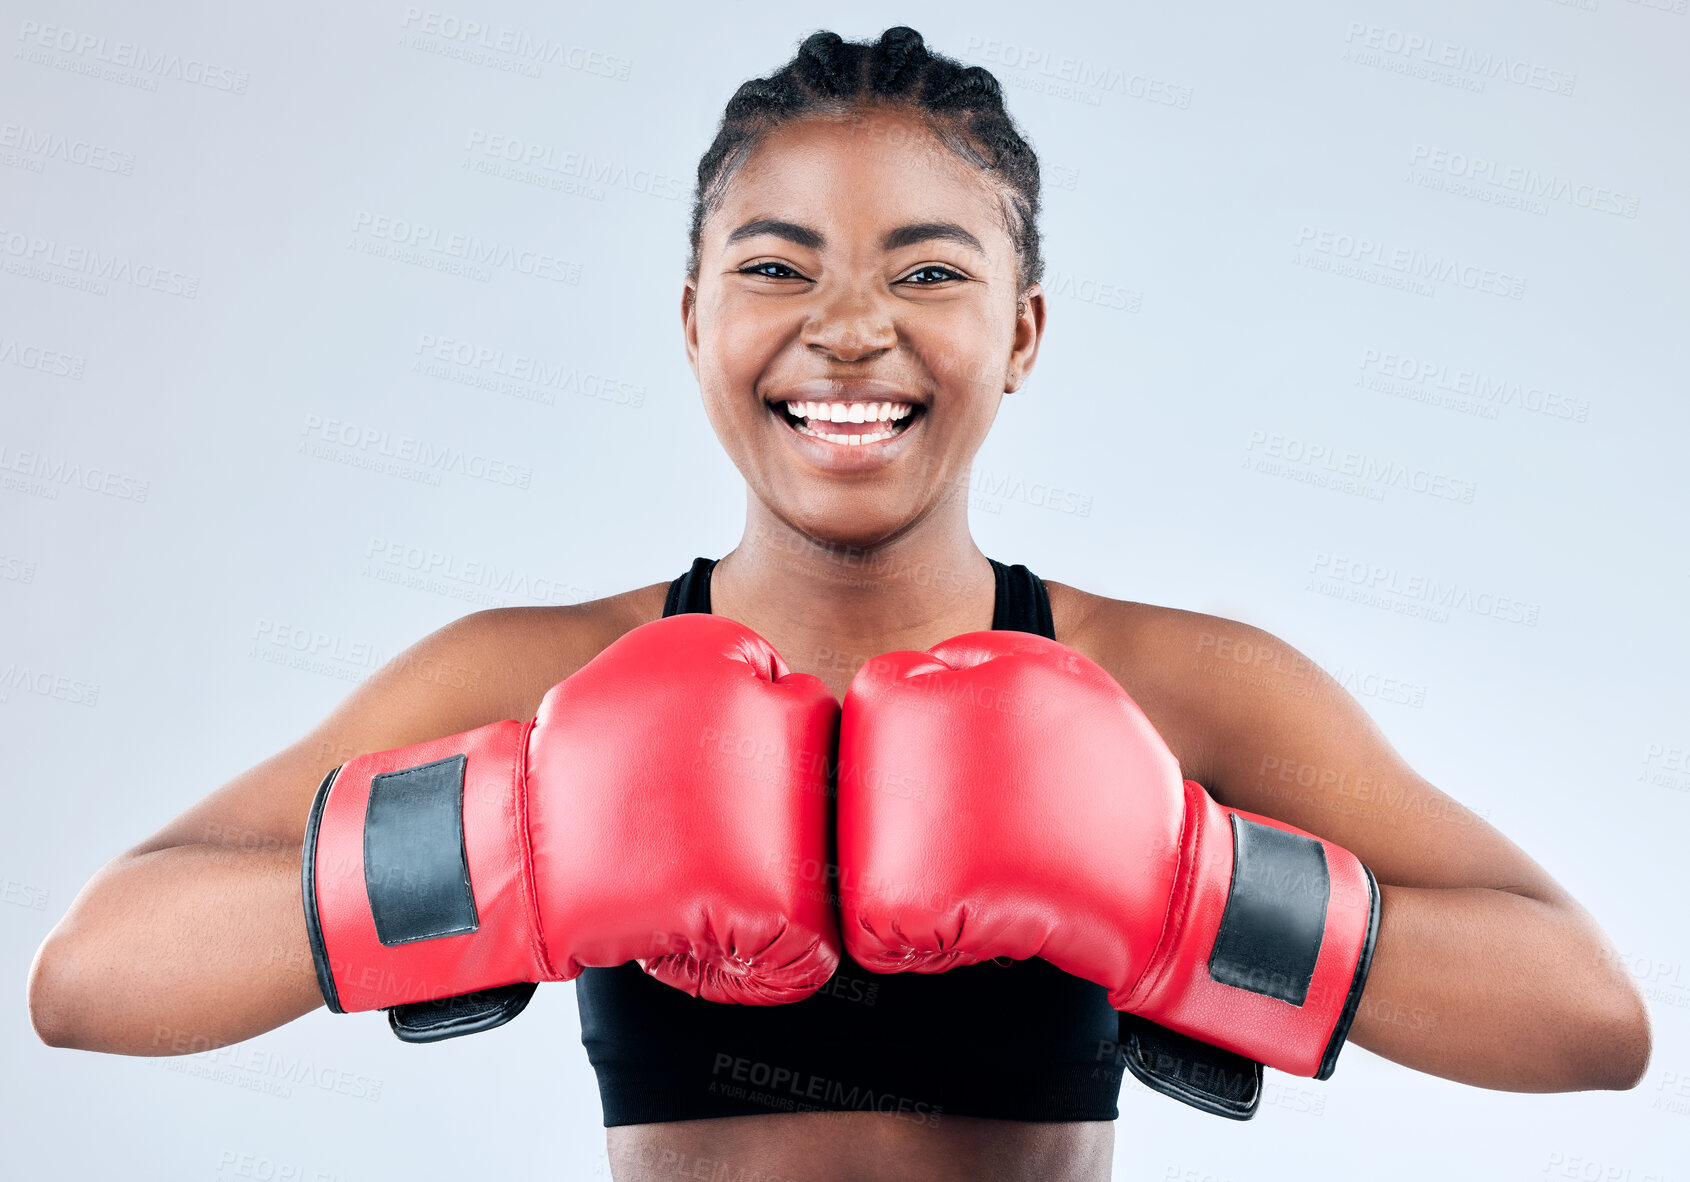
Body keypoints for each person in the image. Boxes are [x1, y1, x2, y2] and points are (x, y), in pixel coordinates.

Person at [27, 27, 1650, 1182]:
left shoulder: (1173, 680)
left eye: (929, 273)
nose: (851, 329)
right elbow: (90, 977)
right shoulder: (539, 674)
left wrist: (1180, 892)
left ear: (1021, 334)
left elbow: (1583, 1016)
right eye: (777, 265)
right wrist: (497, 846)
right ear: (691, 316)